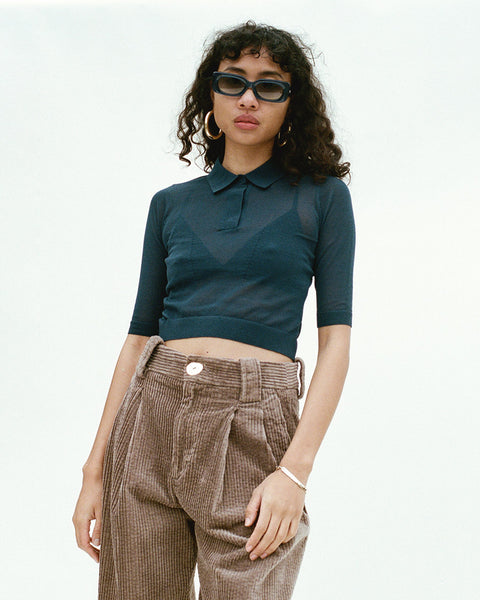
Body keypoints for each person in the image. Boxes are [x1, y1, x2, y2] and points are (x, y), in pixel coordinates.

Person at [72, 20, 356, 600]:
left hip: (256, 418)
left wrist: (294, 471)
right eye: (233, 82)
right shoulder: (171, 206)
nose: (248, 98)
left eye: (269, 85)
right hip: (151, 412)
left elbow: (336, 343)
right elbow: (137, 341)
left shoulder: (322, 198)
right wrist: (94, 469)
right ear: (211, 95)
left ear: (291, 102)